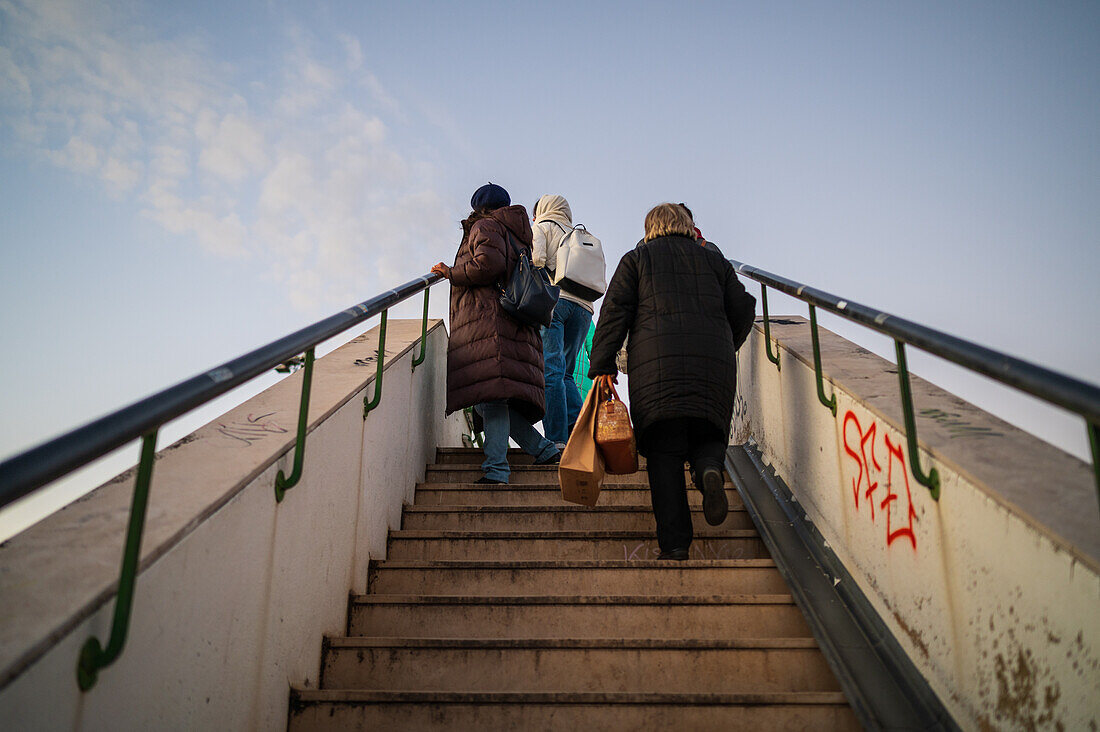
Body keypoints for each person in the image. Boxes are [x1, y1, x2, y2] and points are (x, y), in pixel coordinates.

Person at [588, 203, 756, 560]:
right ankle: (709, 467)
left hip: (655, 371)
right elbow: (743, 307)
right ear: (687, 225)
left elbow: (614, 312)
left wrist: (602, 364)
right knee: (708, 433)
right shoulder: (714, 260)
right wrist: (727, 343)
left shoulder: (638, 259)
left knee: (664, 455)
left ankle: (676, 545)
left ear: (650, 227)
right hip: (713, 366)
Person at [431, 183, 560, 484]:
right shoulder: (516, 232)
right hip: (506, 323)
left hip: (489, 323)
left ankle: (497, 470)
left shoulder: (486, 225)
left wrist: (451, 272)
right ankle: (542, 451)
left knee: (490, 398)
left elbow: (487, 265)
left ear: (478, 207)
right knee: (487, 398)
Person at [531, 194, 597, 448]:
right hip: (584, 309)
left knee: (552, 372)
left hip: (556, 302)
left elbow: (537, 260)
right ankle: (583, 436)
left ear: (543, 210)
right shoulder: (581, 235)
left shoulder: (542, 227)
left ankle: (557, 438)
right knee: (567, 374)